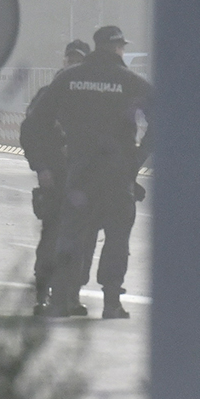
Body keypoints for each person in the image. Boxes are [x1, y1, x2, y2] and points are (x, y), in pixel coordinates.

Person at [49, 24, 153, 319]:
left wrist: (60, 155)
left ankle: (61, 300)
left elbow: (38, 119)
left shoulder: (70, 78)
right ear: (118, 48)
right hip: (118, 173)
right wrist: (137, 158)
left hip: (81, 171)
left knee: (71, 234)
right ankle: (111, 302)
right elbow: (162, 117)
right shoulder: (130, 81)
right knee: (117, 237)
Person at [19, 39, 91, 312]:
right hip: (55, 176)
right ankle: (42, 293)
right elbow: (30, 133)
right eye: (69, 59)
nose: (72, 64)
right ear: (63, 61)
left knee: (81, 239)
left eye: (78, 60)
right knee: (51, 236)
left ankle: (70, 294)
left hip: (81, 177)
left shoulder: (89, 97)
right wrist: (41, 167)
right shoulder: (48, 94)